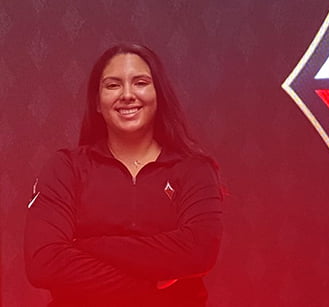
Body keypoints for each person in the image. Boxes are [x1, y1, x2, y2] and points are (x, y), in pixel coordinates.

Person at [24, 43, 223, 307]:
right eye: (113, 85)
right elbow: (44, 262)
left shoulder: (194, 169)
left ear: (158, 94)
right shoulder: (67, 167)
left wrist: (87, 246)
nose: (127, 94)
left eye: (140, 82)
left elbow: (199, 252)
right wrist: (152, 286)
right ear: (97, 101)